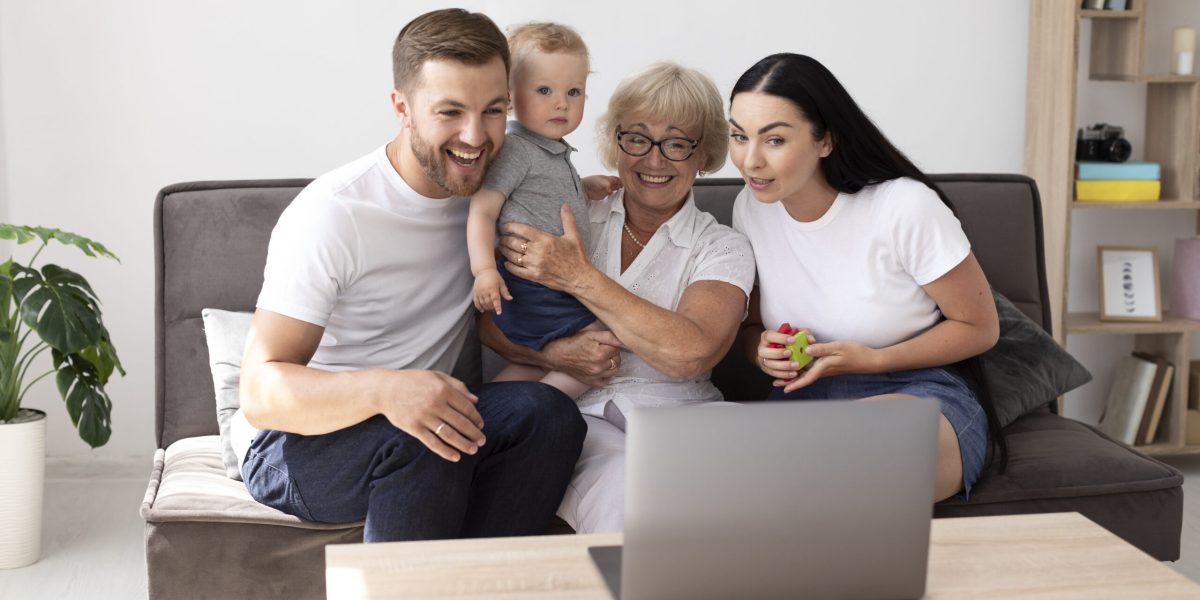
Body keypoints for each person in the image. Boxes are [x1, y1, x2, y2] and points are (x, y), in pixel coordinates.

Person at [234, 8, 586, 543]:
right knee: (426, 432)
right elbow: (261, 391)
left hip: (427, 413)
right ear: (401, 107)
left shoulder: (493, 194)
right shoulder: (334, 214)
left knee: (549, 414)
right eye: (450, 112)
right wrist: (385, 391)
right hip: (298, 444)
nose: (475, 136)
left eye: (493, 111)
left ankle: (490, 581)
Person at [481, 62, 756, 533]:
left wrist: (579, 277)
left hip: (684, 415)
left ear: (704, 154)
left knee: (758, 480)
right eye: (637, 138)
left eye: (676, 143)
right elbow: (490, 319)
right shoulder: (566, 209)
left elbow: (691, 352)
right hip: (580, 416)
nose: (653, 160)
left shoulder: (723, 246)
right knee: (623, 495)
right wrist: (555, 352)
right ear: (616, 142)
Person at [728, 53, 1001, 502]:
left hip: (915, 391)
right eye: (739, 136)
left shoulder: (903, 207)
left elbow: (980, 327)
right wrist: (762, 353)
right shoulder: (751, 208)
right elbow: (752, 327)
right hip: (806, 399)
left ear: (825, 141)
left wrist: (873, 360)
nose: (750, 160)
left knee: (844, 458)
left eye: (774, 140)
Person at [467, 22, 619, 400]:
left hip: (549, 285)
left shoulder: (549, 149)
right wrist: (484, 271)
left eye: (574, 91)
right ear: (509, 98)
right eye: (545, 90)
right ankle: (542, 407)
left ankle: (489, 407)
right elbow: (483, 211)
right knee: (603, 345)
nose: (561, 103)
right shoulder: (517, 149)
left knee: (539, 361)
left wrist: (582, 189)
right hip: (530, 287)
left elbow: (538, 201)